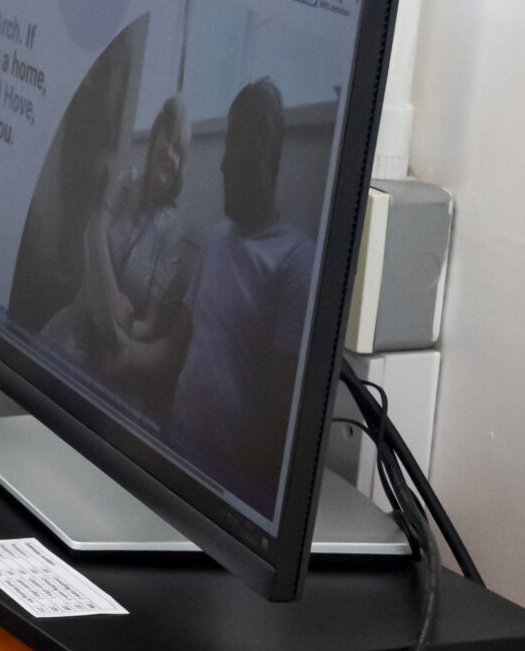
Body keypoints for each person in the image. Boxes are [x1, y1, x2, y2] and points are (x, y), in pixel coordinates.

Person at [166, 78, 317, 514]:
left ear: (265, 143)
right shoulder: (215, 239)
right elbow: (171, 351)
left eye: (235, 141)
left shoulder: (296, 264)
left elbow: (272, 434)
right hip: (170, 452)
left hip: (215, 489)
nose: (223, 163)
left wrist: (207, 500)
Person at [39, 92, 197, 422]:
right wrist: (110, 294)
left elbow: (153, 324)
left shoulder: (174, 231)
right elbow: (94, 231)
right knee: (34, 377)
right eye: (167, 139)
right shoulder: (127, 183)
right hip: (81, 313)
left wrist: (118, 331)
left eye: (179, 151)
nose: (169, 153)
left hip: (119, 345)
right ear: (155, 136)